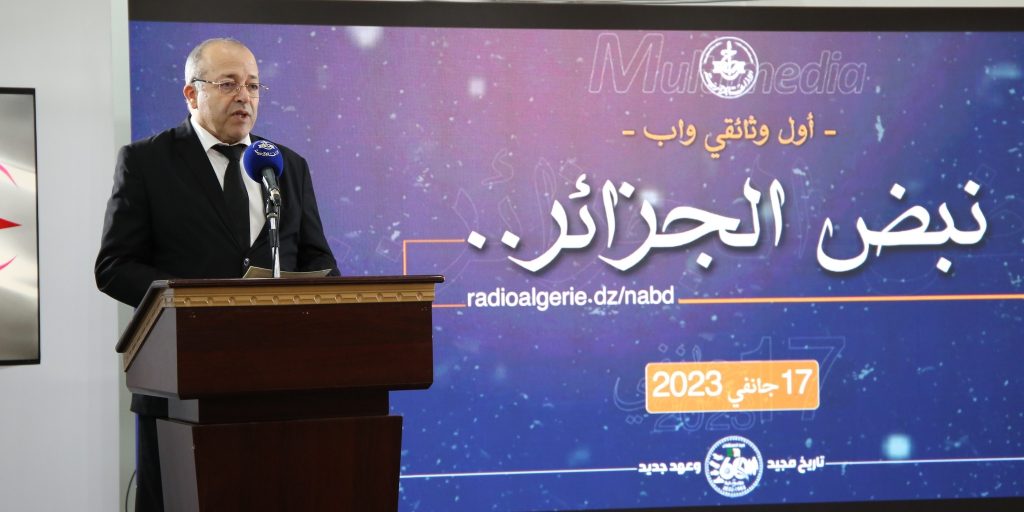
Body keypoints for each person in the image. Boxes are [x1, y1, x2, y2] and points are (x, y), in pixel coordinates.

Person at [95, 38, 338, 511]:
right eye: (228, 84)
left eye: (253, 85)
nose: (244, 96)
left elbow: (319, 263)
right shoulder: (147, 162)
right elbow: (114, 266)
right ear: (192, 94)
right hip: (181, 386)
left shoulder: (286, 166)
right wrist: (189, 304)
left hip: (280, 385)